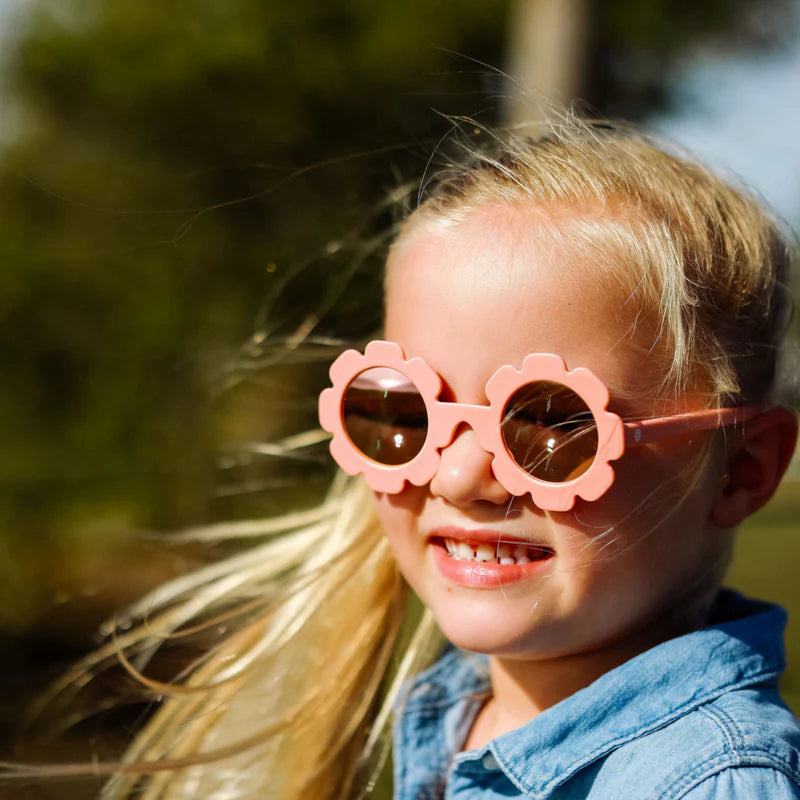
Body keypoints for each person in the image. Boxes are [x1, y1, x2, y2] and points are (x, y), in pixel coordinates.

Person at [27, 118, 800, 799]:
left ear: (742, 468)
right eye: (404, 411)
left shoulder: (711, 780)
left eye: (549, 424)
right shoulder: (467, 711)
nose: (459, 477)